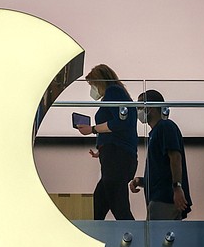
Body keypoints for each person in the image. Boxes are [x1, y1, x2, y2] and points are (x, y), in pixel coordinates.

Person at [76, 64, 138, 220]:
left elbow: (119, 123)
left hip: (116, 157)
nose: (92, 89)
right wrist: (101, 150)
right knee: (100, 200)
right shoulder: (119, 93)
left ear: (100, 81)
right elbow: (120, 129)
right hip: (116, 154)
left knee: (118, 204)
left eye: (93, 85)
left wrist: (93, 129)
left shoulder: (113, 92)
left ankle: (133, 237)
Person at [129, 90, 193, 220]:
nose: (138, 110)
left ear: (150, 108)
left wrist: (177, 188)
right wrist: (141, 181)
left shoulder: (165, 126)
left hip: (165, 199)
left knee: (157, 238)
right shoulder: (155, 132)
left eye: (140, 106)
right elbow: (161, 170)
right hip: (160, 199)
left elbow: (175, 157)